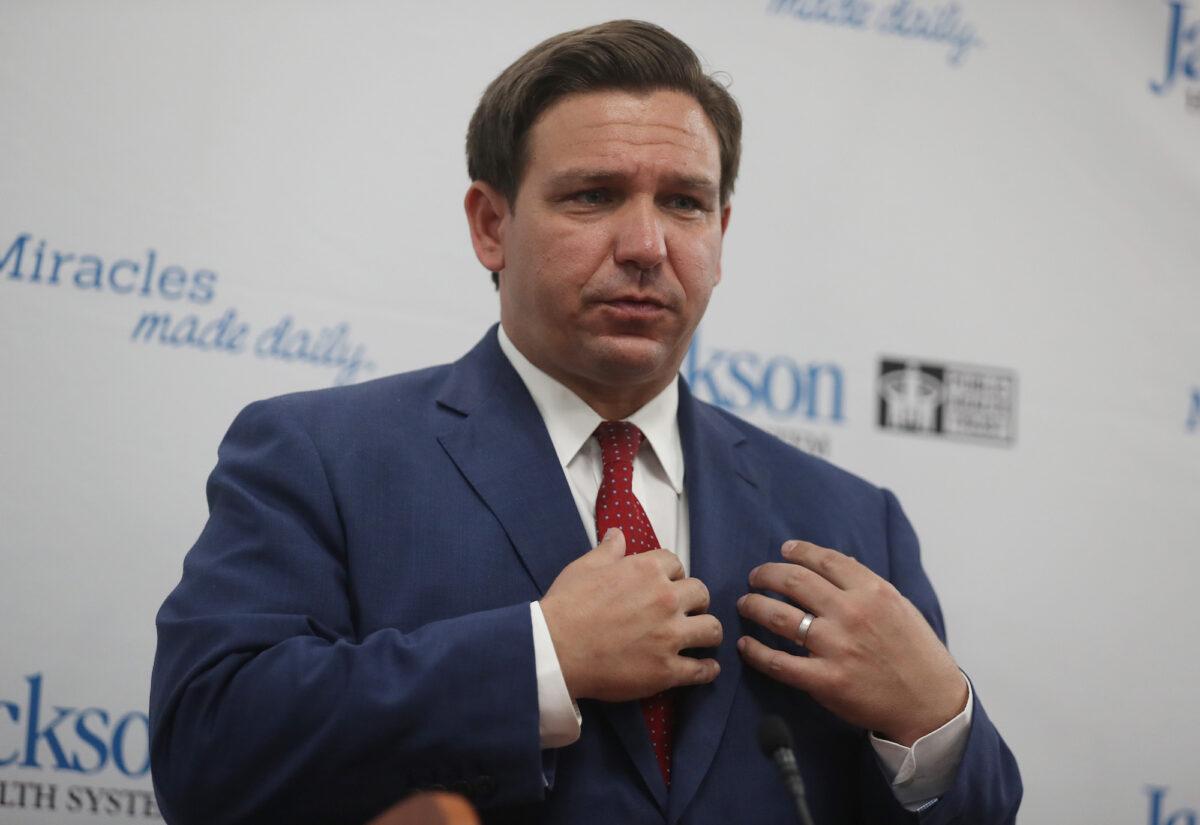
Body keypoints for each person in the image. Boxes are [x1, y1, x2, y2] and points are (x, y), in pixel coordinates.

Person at [150, 19, 1021, 825]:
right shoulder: (322, 457)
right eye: (595, 195)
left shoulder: (849, 520)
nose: (647, 245)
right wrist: (542, 656)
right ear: (492, 225)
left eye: (684, 203)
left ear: (721, 232)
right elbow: (208, 749)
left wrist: (934, 720)